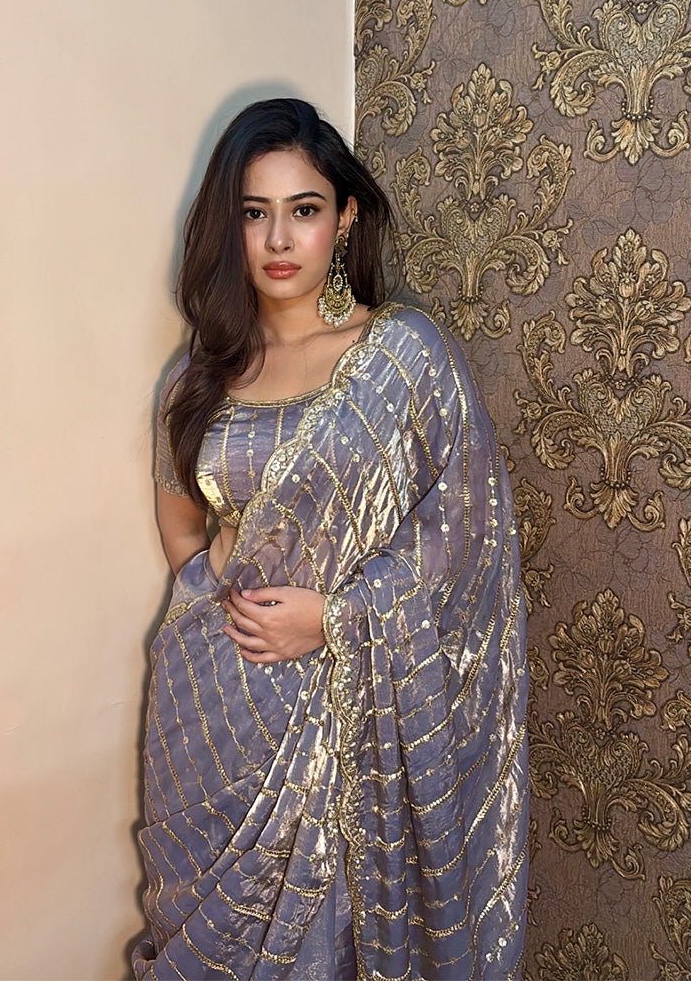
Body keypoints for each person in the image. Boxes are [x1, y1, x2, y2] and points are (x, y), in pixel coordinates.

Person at [132, 98, 529, 981]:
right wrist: (221, 618)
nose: (279, 238)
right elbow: (182, 519)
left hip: (358, 709)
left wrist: (336, 621)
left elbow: (468, 537)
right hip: (215, 711)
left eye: (303, 209)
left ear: (344, 218)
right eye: (254, 212)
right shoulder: (197, 376)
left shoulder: (403, 356)